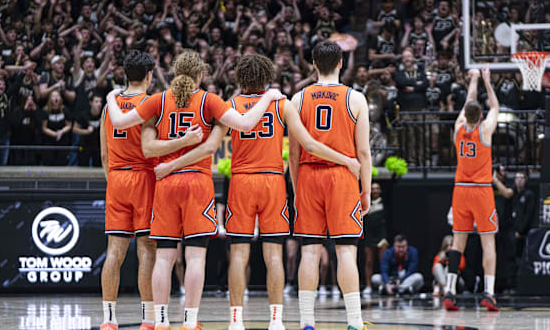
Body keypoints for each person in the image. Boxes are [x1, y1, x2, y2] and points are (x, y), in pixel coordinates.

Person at [161, 53, 359, 330]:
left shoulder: (230, 104)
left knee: (239, 256)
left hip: (241, 182)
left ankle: (236, 321)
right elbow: (310, 146)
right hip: (272, 182)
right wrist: (347, 160)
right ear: (268, 77)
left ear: (239, 77)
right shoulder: (281, 104)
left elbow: (209, 145)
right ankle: (276, 321)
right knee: (274, 256)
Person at [105, 50, 284, 330]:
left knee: (165, 256)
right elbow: (247, 123)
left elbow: (118, 122)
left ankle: (160, 321)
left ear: (175, 72)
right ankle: (189, 321)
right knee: (195, 256)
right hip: (197, 182)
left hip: (165, 184)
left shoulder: (159, 100)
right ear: (201, 74)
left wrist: (109, 99)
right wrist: (269, 98)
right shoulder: (209, 100)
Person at [289, 41, 372, 330]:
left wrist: (298, 189)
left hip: (309, 176)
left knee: (310, 251)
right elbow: (363, 153)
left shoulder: (297, 99)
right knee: (346, 251)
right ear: (340, 64)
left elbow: (294, 154)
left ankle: (307, 322)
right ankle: (354, 321)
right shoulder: (356, 99)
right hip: (342, 177)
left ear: (313, 64)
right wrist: (367, 190)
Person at [99, 51, 178, 330]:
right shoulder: (152, 105)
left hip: (117, 179)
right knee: (147, 250)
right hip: (144, 178)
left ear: (124, 74)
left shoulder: (110, 107)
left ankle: (109, 319)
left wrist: (115, 181)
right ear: (149, 76)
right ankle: (147, 319)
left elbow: (104, 156)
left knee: (114, 251)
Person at [444, 67, 500, 312]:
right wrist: (487, 81)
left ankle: (449, 290)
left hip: (460, 190)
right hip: (481, 190)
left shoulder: (458, 128)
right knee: (488, 243)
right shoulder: (484, 130)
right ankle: (489, 293)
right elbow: (496, 108)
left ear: (464, 115)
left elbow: (469, 103)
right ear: (480, 116)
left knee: (458, 243)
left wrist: (474, 79)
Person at [361, 182, 389, 296]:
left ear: (381, 190)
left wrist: (384, 237)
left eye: (377, 188)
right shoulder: (366, 203)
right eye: (373, 189)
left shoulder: (385, 203)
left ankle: (384, 284)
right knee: (369, 262)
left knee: (383, 262)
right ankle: (368, 286)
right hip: (369, 237)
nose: (375, 191)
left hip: (381, 237)